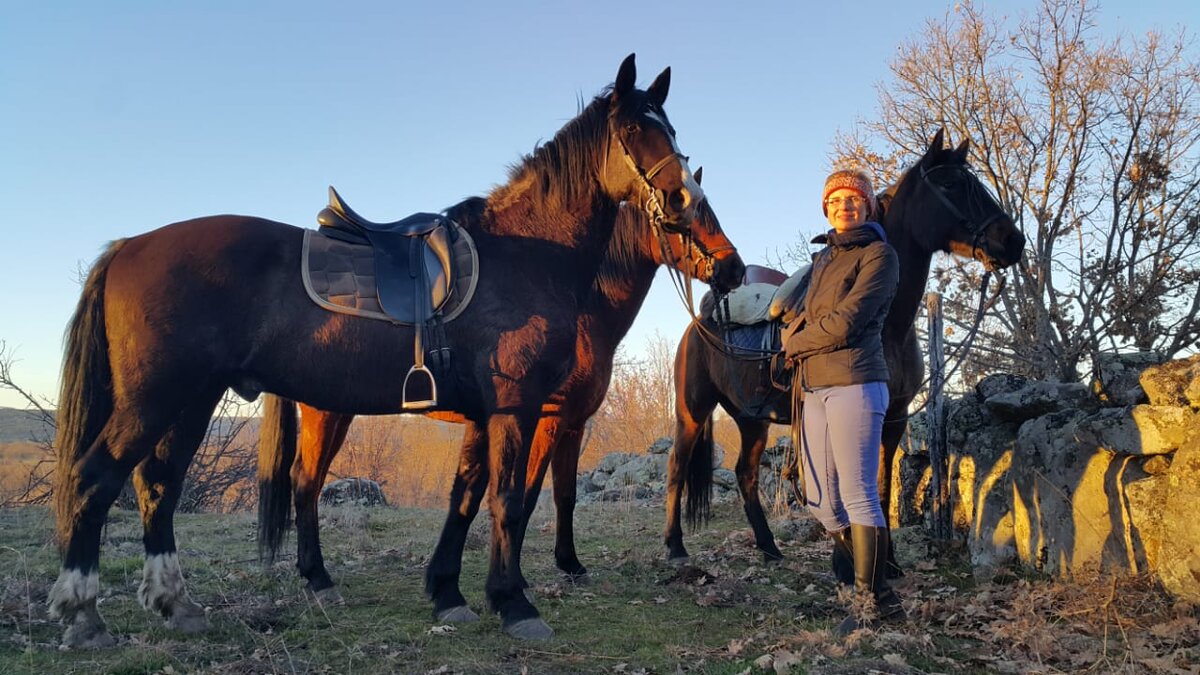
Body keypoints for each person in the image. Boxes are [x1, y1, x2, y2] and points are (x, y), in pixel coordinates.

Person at [783, 168, 903, 634]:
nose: (844, 207)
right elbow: (807, 316)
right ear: (826, 209)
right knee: (820, 501)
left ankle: (867, 607)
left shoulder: (880, 255)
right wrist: (794, 334)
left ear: (868, 206)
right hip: (813, 386)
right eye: (835, 201)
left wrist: (793, 344)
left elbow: (848, 321)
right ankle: (884, 593)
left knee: (858, 494)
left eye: (854, 199)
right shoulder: (822, 261)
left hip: (855, 380)